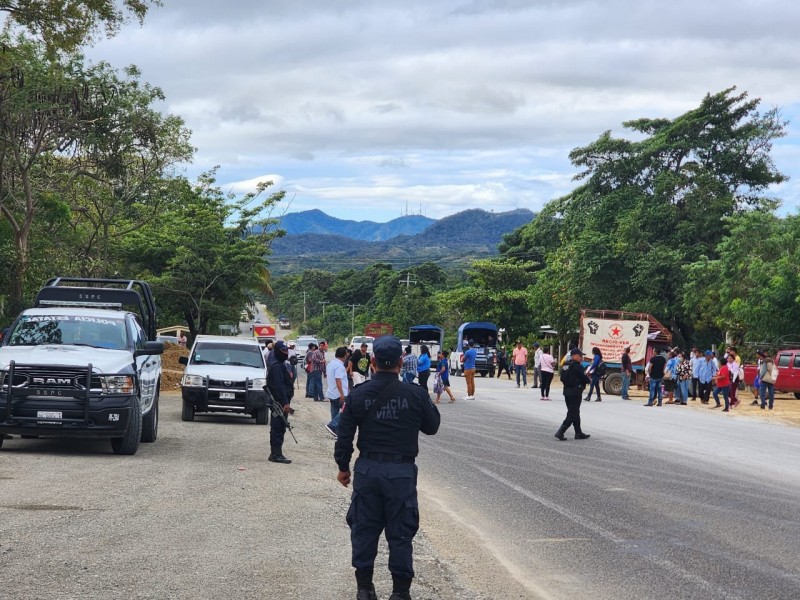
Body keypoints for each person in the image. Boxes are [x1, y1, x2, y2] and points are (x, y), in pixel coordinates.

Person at [334, 335, 441, 600]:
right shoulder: (414, 394)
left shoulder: (358, 395)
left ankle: (365, 590)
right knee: (401, 534)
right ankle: (400, 593)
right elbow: (432, 427)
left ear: (372, 361)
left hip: (368, 471)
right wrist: (421, 398)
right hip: (401, 474)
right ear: (401, 362)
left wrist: (343, 467)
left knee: (364, 530)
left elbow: (344, 435)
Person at [265, 340, 294, 464]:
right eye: (283, 351)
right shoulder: (277, 366)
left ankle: (277, 453)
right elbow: (279, 386)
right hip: (278, 403)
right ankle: (276, 454)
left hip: (281, 402)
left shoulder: (280, 364)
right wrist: (285, 402)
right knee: (278, 427)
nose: (286, 353)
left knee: (281, 427)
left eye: (286, 350)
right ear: (277, 351)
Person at [555, 348, 591, 440]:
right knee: (572, 413)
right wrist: (589, 380)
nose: (581, 358)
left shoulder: (565, 365)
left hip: (567, 392)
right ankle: (560, 432)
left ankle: (578, 433)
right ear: (574, 356)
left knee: (575, 412)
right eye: (580, 356)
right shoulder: (578, 366)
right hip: (575, 392)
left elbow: (562, 378)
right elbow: (585, 378)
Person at [325, 346, 350, 437]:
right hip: (338, 394)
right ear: (343, 355)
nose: (347, 356)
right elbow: (338, 380)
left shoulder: (331, 363)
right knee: (347, 409)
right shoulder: (339, 366)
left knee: (335, 411)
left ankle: (335, 431)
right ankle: (332, 426)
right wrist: (342, 394)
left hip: (331, 392)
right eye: (346, 355)